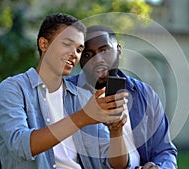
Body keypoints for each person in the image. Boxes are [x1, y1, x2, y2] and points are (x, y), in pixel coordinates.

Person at [0, 14, 129, 169]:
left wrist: (116, 131)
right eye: (66, 44)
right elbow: (19, 145)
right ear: (43, 44)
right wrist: (83, 117)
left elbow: (114, 164)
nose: (74, 54)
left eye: (79, 49)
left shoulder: (83, 97)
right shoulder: (13, 88)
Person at [67, 25, 178, 169]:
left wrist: (159, 167)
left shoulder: (145, 94)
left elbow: (165, 150)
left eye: (104, 50)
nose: (98, 59)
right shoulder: (66, 93)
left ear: (118, 50)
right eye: (88, 55)